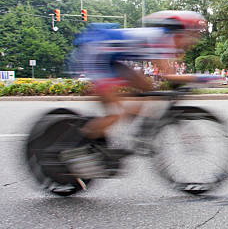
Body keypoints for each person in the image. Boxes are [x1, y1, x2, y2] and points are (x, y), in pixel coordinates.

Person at [71, 10, 212, 148]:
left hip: (110, 58)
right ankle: (76, 146)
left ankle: (128, 131)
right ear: (181, 33)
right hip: (97, 55)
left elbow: (170, 77)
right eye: (192, 35)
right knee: (116, 114)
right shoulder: (161, 39)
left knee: (148, 90)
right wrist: (202, 78)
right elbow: (169, 75)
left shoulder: (165, 40)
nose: (193, 42)